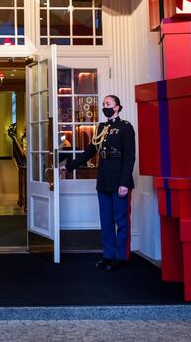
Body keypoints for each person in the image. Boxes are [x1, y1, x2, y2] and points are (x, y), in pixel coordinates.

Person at [60, 95, 136, 270]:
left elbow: (130, 157)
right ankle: (108, 255)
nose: (105, 106)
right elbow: (89, 152)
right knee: (106, 219)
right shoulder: (101, 127)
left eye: (108, 104)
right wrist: (69, 166)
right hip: (104, 179)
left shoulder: (126, 128)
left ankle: (121, 257)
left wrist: (124, 183)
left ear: (117, 107)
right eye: (103, 104)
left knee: (121, 220)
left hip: (119, 180)